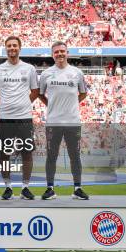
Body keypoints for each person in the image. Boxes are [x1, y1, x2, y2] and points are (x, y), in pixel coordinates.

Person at [0, 36, 39, 200]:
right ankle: (8, 186)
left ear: (20, 48)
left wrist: (23, 104)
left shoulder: (29, 68)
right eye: (9, 46)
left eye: (15, 45)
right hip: (5, 118)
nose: (12, 48)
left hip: (24, 117)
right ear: (6, 48)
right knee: (4, 153)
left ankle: (25, 187)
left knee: (27, 152)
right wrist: (5, 105)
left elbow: (35, 91)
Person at [38, 41, 89, 200]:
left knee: (75, 155)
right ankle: (50, 188)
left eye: (62, 51)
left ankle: (77, 188)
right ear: (52, 55)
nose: (59, 54)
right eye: (56, 52)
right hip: (53, 121)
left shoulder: (77, 73)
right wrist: (51, 105)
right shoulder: (46, 74)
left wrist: (72, 105)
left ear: (67, 53)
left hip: (73, 121)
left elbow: (83, 93)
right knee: (51, 156)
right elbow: (40, 94)